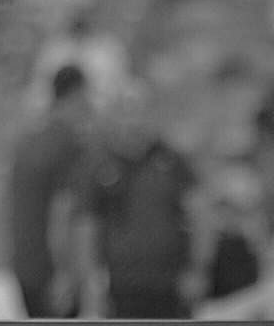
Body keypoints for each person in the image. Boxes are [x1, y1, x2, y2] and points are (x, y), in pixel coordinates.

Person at [75, 81, 205, 319]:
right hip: (121, 286)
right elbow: (87, 226)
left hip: (170, 284)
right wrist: (91, 283)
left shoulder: (173, 161)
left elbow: (200, 215)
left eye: (140, 111)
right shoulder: (99, 164)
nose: (133, 121)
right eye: (125, 112)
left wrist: (198, 268)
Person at [8, 63, 95, 319]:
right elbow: (62, 212)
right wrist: (64, 273)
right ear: (76, 94)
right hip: (53, 274)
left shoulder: (28, 142)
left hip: (25, 266)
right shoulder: (69, 144)